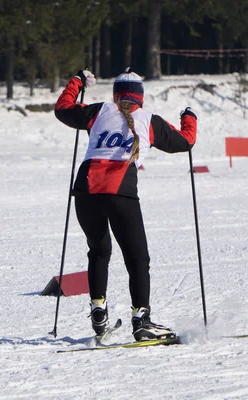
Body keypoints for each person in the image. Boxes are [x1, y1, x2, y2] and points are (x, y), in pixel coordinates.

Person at [54, 68, 197, 341]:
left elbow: (63, 109)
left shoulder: (99, 111)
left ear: (115, 95)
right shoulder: (148, 120)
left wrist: (76, 81)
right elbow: (186, 141)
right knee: (137, 259)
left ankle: (98, 311)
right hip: (120, 193)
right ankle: (141, 320)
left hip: (85, 191)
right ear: (140, 98)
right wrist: (189, 117)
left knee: (98, 251)